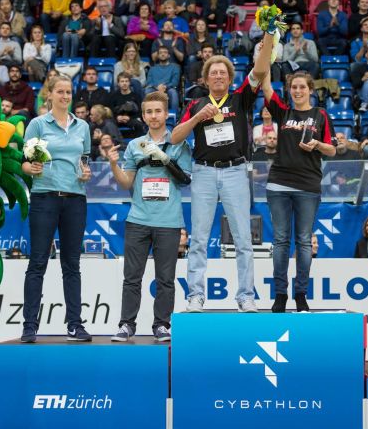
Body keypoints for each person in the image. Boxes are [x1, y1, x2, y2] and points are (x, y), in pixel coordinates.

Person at [171, 27, 275, 313]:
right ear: (205, 80)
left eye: (223, 73)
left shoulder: (241, 98)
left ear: (230, 78)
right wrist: (196, 120)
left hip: (235, 171)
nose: (218, 76)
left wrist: (269, 36)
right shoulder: (195, 104)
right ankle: (195, 295)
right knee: (199, 238)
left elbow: (261, 68)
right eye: (213, 73)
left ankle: (245, 296)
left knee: (243, 237)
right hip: (203, 172)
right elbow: (175, 138)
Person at [107, 91, 191, 342]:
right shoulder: (134, 146)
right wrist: (113, 165)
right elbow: (126, 183)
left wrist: (165, 159)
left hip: (169, 221)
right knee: (132, 277)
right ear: (143, 116)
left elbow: (185, 180)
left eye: (158, 111)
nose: (154, 116)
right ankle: (126, 324)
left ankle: (162, 325)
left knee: (165, 279)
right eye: (149, 112)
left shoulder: (179, 143)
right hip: (138, 220)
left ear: (166, 114)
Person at [20, 74, 92, 343]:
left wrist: (85, 174)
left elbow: (84, 161)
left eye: (68, 91)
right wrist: (31, 167)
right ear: (49, 94)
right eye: (59, 91)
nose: (65, 96)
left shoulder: (82, 126)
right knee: (37, 262)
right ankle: (29, 326)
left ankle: (75, 324)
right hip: (44, 197)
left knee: (71, 264)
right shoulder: (38, 125)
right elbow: (25, 164)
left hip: (75, 198)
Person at [262, 71, 336, 313]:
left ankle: (301, 294)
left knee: (304, 241)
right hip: (279, 183)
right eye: (294, 87)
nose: (298, 91)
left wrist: (317, 144)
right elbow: (264, 86)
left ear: (310, 89)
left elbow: (332, 150)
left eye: (302, 87)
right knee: (281, 240)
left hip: (308, 184)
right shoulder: (283, 112)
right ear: (289, 89)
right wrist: (265, 53)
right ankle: (280, 295)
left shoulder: (321, 115)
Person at [145, 46, 181, 112]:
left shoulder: (175, 67)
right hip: (154, 89)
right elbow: (149, 82)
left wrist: (164, 86)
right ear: (158, 56)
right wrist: (157, 87)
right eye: (160, 53)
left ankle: (175, 116)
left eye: (165, 52)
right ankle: (146, 113)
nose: (163, 54)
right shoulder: (152, 68)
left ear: (169, 55)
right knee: (147, 91)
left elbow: (175, 82)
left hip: (168, 89)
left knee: (173, 92)